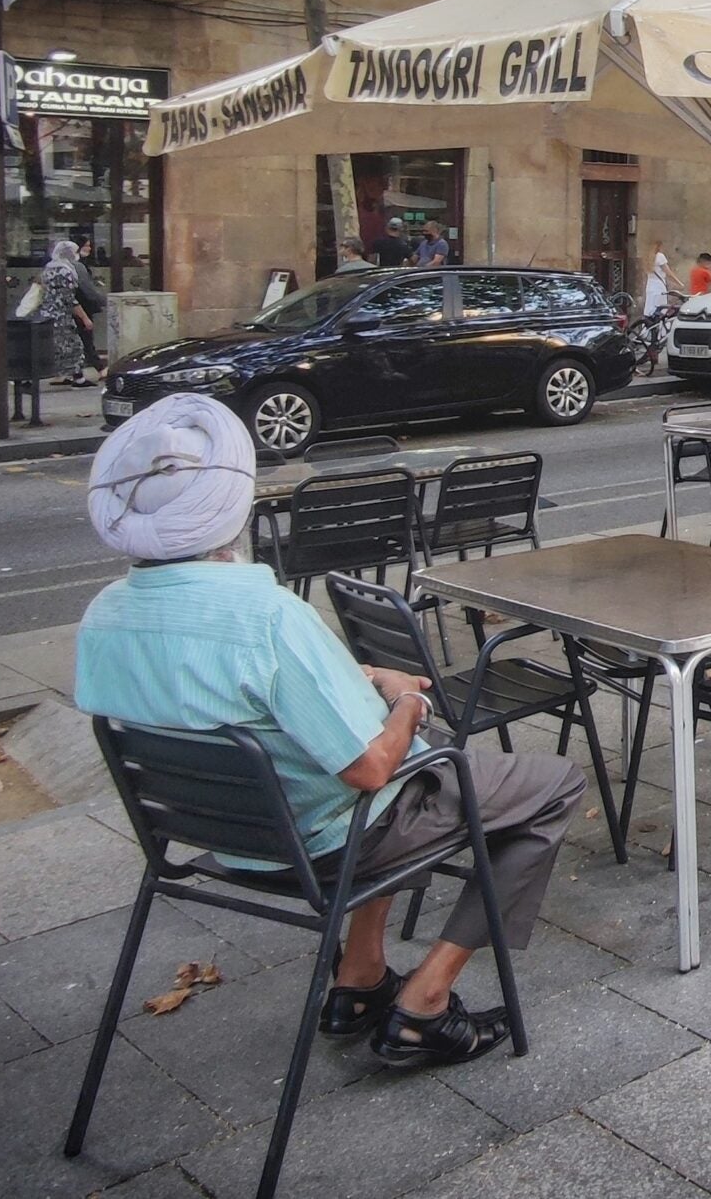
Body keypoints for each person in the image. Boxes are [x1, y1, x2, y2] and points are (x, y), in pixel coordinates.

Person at [72, 395, 590, 1067]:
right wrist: (407, 705)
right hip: (324, 843)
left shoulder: (104, 614)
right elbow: (371, 768)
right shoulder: (267, 613)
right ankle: (424, 1004)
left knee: (409, 774)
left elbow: (220, 694)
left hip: (215, 837)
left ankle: (361, 978)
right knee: (544, 782)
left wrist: (366, 677)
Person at [36, 239, 100, 387]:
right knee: (74, 346)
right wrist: (85, 318)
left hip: (47, 312)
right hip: (62, 316)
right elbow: (69, 299)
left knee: (53, 347)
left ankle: (62, 375)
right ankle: (78, 378)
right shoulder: (66, 271)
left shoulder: (48, 268)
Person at [641, 243, 678, 320]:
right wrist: (679, 283)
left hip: (650, 285)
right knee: (660, 309)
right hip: (659, 286)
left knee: (650, 308)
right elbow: (668, 272)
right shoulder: (660, 256)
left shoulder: (647, 257)